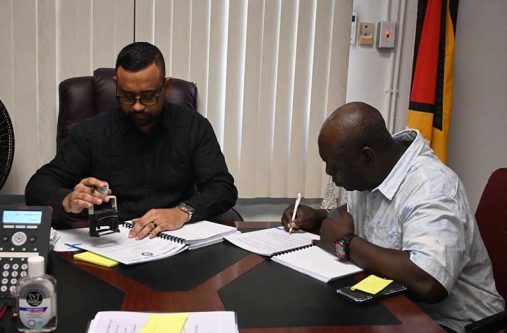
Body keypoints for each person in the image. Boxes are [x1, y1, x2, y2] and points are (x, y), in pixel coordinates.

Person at [281, 102, 504, 332]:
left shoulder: (432, 187)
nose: (330, 174)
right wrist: (318, 216)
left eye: (335, 168)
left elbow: (429, 282)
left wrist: (345, 242)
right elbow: (358, 213)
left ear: (366, 157)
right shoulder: (374, 172)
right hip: (399, 311)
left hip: (457, 324)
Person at [25, 42, 237, 240]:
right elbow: (38, 186)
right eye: (127, 96)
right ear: (116, 85)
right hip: (110, 241)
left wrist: (182, 212)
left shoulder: (193, 126)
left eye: (148, 96)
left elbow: (222, 188)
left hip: (175, 239)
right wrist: (68, 200)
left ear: (166, 86)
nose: (137, 107)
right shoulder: (90, 132)